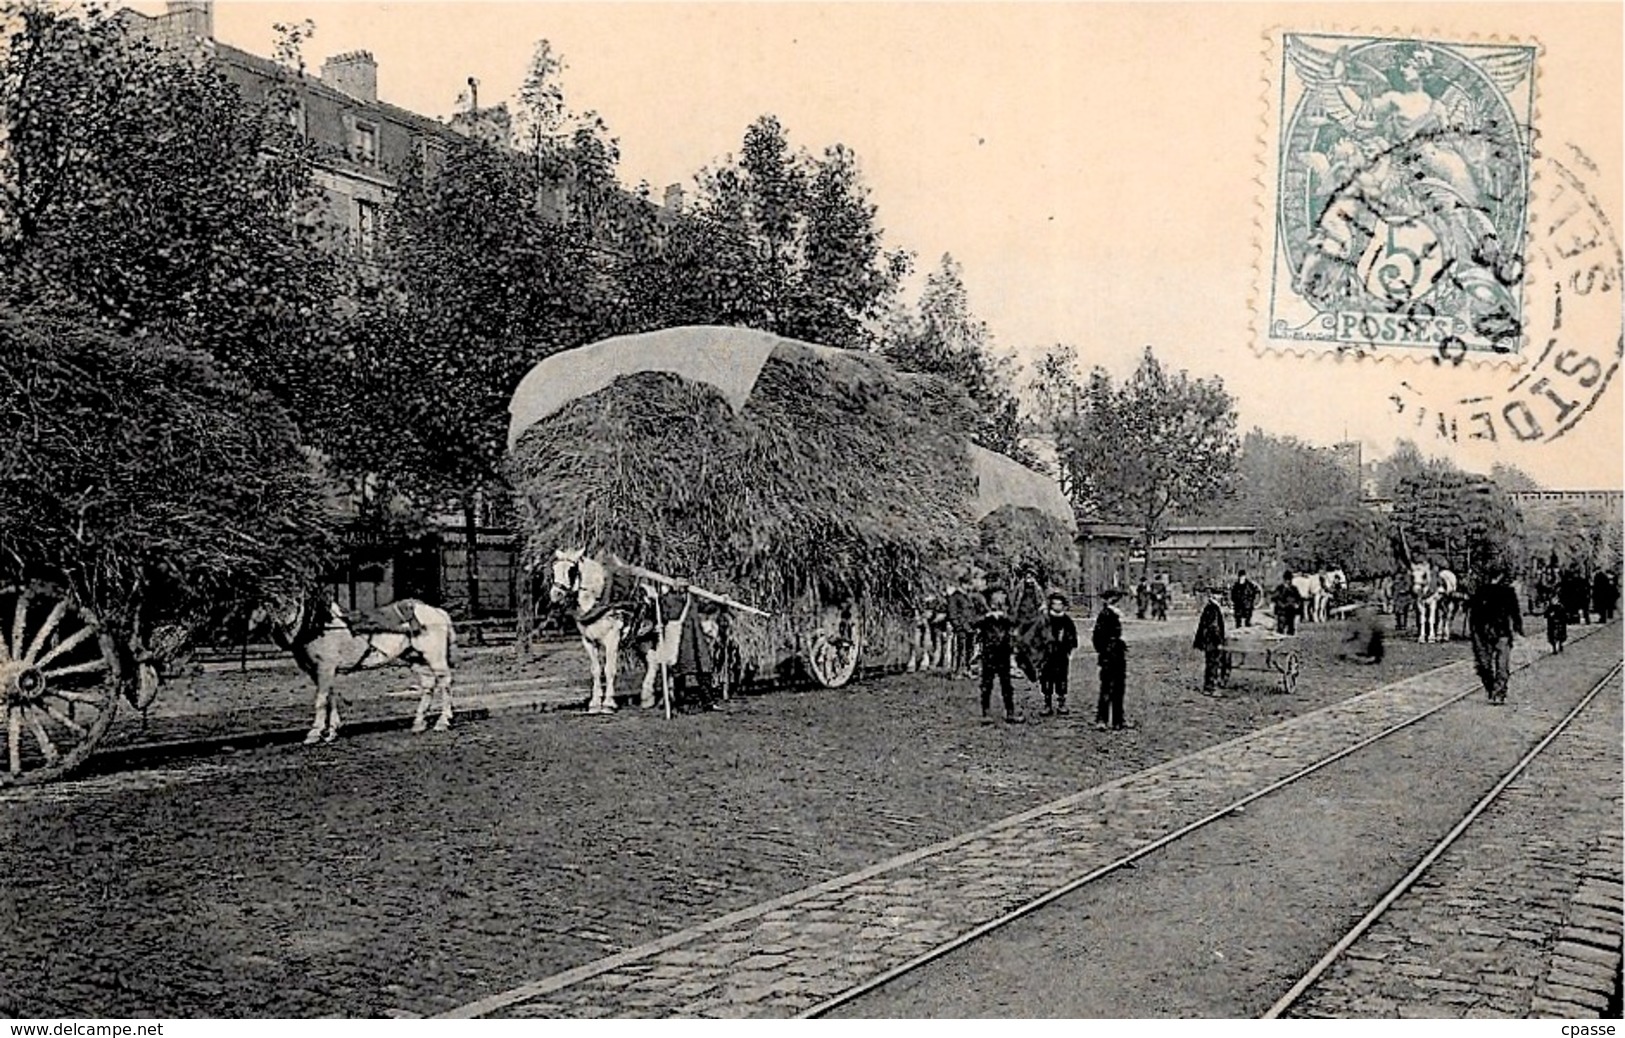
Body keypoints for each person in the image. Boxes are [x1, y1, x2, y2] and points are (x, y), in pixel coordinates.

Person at [1468, 566, 1524, 705]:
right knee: (1498, 663)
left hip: (1488, 631)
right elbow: (1515, 612)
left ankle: (1495, 689)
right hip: (1495, 631)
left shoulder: (1485, 591)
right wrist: (1518, 628)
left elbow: (1472, 611)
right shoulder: (1501, 591)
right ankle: (1497, 690)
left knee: (1486, 663)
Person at [976, 587, 1020, 724]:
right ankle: (986, 712)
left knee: (1006, 683)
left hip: (1004, 652)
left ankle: (1010, 711)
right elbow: (973, 622)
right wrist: (987, 617)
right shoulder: (983, 612)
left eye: (1001, 598)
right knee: (986, 683)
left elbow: (1015, 621)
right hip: (988, 652)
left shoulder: (1007, 613)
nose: (999, 601)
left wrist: (1004, 616)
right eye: (996, 598)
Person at [1092, 589, 1128, 731]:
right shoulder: (1106, 615)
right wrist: (1105, 652)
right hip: (1109, 655)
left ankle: (1117, 719)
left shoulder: (1115, 615)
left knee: (1118, 687)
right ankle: (1103, 719)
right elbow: (1097, 638)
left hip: (1117, 654)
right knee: (1107, 688)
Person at [1038, 591, 1079, 715]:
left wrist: (1068, 647)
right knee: (1046, 678)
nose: (1057, 606)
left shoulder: (1067, 620)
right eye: (1054, 604)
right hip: (1047, 655)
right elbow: (1038, 636)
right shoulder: (1045, 619)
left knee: (1061, 678)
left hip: (1061, 654)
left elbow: (1073, 636)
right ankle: (1047, 704)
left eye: (1059, 604)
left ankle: (1061, 703)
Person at [1193, 587, 1229, 693]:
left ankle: (1208, 687)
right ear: (1214, 596)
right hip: (1212, 641)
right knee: (1213, 664)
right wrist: (1219, 642)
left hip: (1208, 641)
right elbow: (1214, 628)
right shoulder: (1213, 609)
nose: (1221, 597)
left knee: (1210, 664)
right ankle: (1210, 688)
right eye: (1219, 595)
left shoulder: (1210, 607)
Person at [946, 577, 978, 679]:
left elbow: (972, 612)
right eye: (968, 584)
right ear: (962, 584)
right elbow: (952, 613)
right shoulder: (955, 597)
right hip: (961, 628)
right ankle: (957, 672)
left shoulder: (967, 597)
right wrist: (958, 626)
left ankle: (966, 670)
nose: (969, 587)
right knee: (959, 650)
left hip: (970, 628)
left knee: (969, 650)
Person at [1272, 571, 1305, 636]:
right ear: (1284, 580)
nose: (1288, 582)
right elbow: (1276, 598)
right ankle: (1280, 633)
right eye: (1287, 580)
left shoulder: (1294, 588)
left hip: (1291, 610)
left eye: (1289, 580)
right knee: (1281, 625)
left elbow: (1299, 598)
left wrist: (1297, 605)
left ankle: (1290, 634)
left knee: (1291, 625)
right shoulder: (1280, 588)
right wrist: (1282, 605)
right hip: (1282, 610)